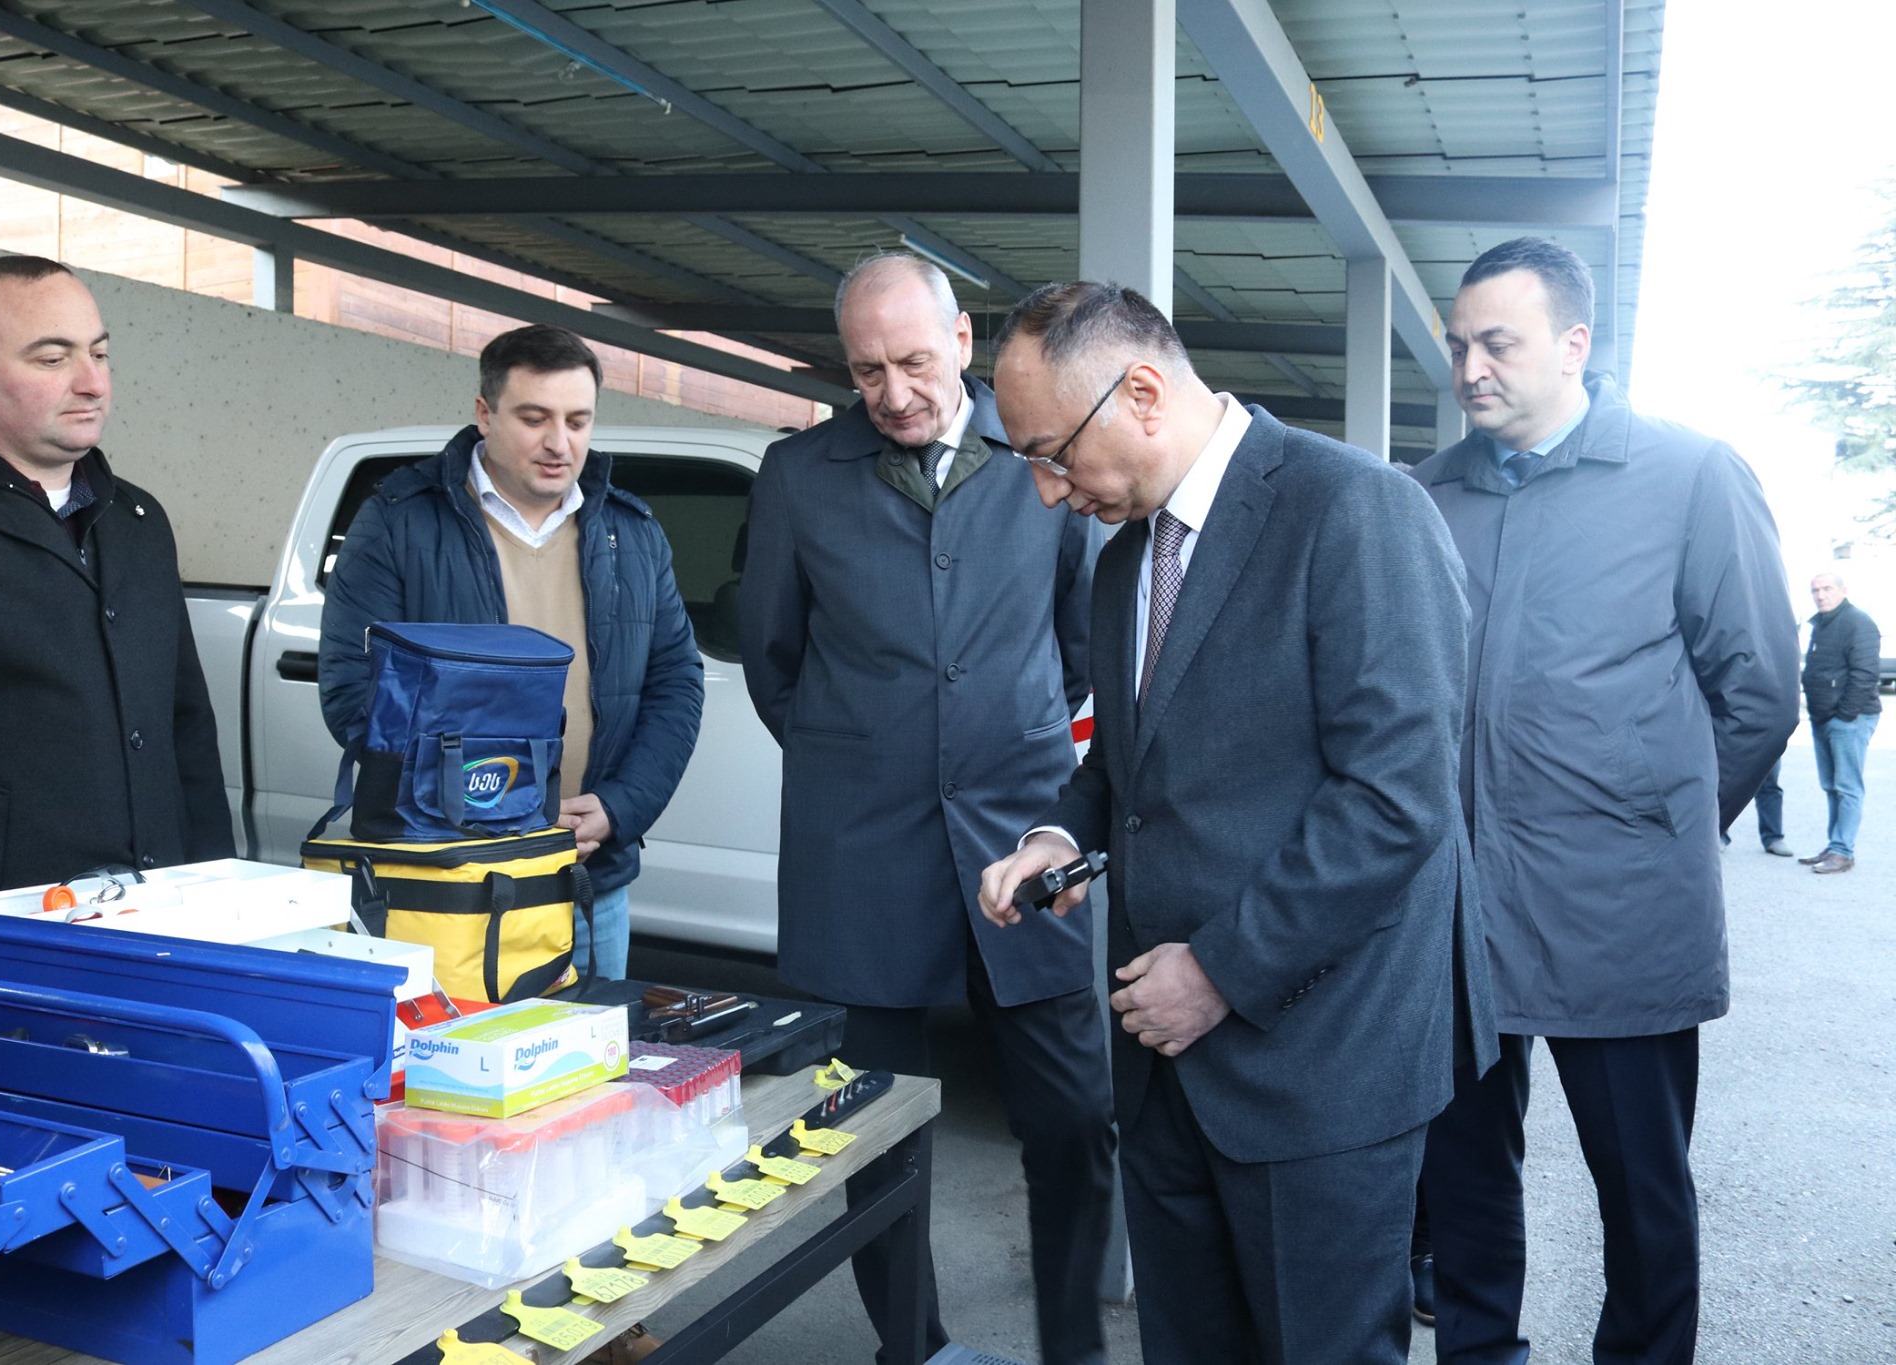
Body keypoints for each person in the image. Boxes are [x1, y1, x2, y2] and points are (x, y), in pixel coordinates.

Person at [979, 280, 1494, 1365]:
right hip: (1163, 1060)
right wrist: (1057, 838)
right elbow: (1125, 765)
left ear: (1142, 392)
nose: (1046, 490)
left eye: (1052, 453)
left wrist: (1218, 971)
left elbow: (1394, 797)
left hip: (1319, 1060)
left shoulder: (1354, 508)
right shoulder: (1125, 557)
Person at [1410, 237, 1797, 1365]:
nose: (1470, 368)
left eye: (1497, 343)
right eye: (1457, 345)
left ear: (1574, 342)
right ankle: (1478, 1350)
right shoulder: (1424, 495)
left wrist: (1657, 824)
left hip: (1622, 911)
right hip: (1456, 908)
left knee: (1640, 1185)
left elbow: (1758, 691)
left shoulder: (1689, 475)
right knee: (1462, 1175)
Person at [740, 254, 1112, 1365]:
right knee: (871, 1128)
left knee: (1074, 1114)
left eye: (912, 361)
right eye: (866, 371)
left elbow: (1081, 642)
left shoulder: (1041, 457)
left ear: (961, 341)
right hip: (857, 850)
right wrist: (868, 755)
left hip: (1022, 833)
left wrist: (1000, 738)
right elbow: (773, 660)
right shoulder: (797, 475)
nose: (893, 392)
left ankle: (1073, 1348)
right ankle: (916, 1346)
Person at [0, 255, 233, 972]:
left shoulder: (138, 520)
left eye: (99, 353)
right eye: (53, 358)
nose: (92, 382)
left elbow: (187, 735)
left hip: (153, 935)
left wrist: (222, 912)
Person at [319, 325, 703, 980]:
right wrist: (493, 807)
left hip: (589, 879)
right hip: (450, 882)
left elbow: (676, 683)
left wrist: (620, 806)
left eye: (578, 421)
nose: (560, 443)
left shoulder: (632, 533)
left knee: (593, 1046)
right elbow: (355, 690)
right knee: (454, 1049)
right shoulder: (400, 521)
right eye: (535, 418)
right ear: (485, 413)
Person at [1799, 571, 1880, 873]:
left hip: (1849, 720)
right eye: (1815, 590)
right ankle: (1834, 846)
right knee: (1831, 786)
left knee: (1847, 787)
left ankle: (1843, 851)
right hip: (1823, 718)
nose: (1820, 595)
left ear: (1843, 590)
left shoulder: (1858, 623)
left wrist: (1844, 715)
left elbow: (1865, 675)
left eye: (1827, 588)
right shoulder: (1821, 624)